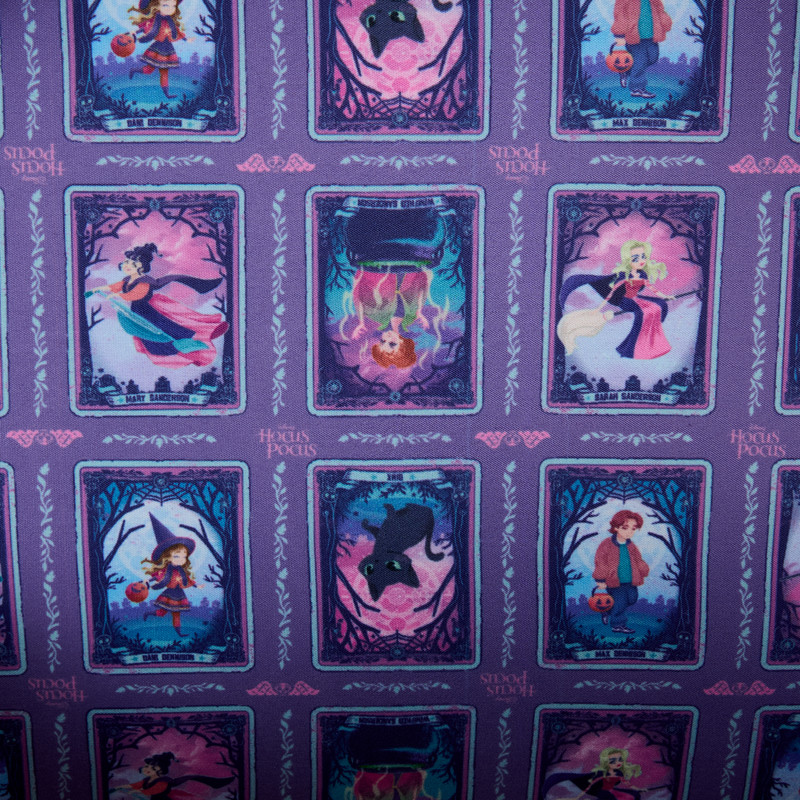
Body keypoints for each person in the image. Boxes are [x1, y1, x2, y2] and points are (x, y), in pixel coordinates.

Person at [88, 242, 228, 368]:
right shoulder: (127, 280)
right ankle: (176, 349)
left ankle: (190, 344)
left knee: (163, 328)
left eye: (131, 264)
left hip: (148, 311)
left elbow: (137, 294)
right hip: (137, 311)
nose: (126, 265)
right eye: (126, 262)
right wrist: (99, 289)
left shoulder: (144, 281)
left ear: (140, 266)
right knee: (148, 334)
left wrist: (119, 296)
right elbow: (115, 287)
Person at [604, 240, 674, 360]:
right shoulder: (624, 275)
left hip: (636, 298)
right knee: (643, 312)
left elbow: (652, 289)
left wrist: (665, 296)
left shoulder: (642, 275)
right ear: (628, 260)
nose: (641, 261)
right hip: (625, 301)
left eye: (643, 257)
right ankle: (631, 349)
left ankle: (655, 333)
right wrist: (600, 306)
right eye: (636, 258)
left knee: (660, 304)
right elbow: (613, 291)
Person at [350, 267, 432, 369]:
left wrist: (361, 322)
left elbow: (357, 291)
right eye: (392, 344)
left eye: (382, 341)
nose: (387, 338)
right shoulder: (412, 317)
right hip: (410, 267)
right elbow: (423, 284)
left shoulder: (375, 315)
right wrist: (419, 312)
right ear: (403, 344)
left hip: (381, 266)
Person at [141, 514, 203, 638]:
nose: (181, 560)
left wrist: (197, 585)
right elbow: (158, 577)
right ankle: (148, 613)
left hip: (179, 594)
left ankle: (179, 633)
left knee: (176, 614)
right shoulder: (166, 570)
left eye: (184, 556)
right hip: (169, 594)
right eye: (177, 556)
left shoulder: (181, 570)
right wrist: (148, 580)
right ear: (167, 557)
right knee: (161, 613)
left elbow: (188, 580)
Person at [593, 510, 650, 634]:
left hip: (631, 580)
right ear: (616, 527)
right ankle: (618, 625)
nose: (630, 531)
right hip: (614, 581)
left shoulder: (631, 545)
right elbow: (600, 561)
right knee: (620, 602)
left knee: (632, 599)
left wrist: (643, 570)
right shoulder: (606, 544)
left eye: (633, 528)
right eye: (625, 528)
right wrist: (600, 579)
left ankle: (607, 610)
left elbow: (638, 559)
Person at [128, 0, 190, 99]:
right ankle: (134, 70)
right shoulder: (155, 20)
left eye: (173, 6)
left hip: (168, 49)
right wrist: (135, 32)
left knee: (164, 72)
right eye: (165, 5)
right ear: (157, 6)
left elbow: (177, 32)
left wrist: (186, 39)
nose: (170, 8)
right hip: (157, 48)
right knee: (149, 70)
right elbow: (146, 28)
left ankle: (166, 94)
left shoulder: (170, 21)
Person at [611, 0, 672, 99]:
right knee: (640, 62)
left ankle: (626, 71)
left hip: (651, 35)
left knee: (653, 58)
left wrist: (665, 22)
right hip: (634, 36)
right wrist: (619, 34)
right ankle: (637, 88)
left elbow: (660, 10)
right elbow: (620, 14)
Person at [112, 751, 233, 799]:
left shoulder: (163, 782)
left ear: (160, 771)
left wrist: (138, 792)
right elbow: (136, 785)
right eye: (147, 766)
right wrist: (121, 787)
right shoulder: (147, 780)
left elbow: (153, 791)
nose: (147, 769)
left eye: (152, 768)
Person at [543, 747, 643, 800]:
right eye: (613, 760)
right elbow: (592, 786)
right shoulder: (601, 774)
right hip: (599, 792)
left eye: (619, 759)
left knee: (634, 795)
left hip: (605, 792)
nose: (617, 762)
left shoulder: (618, 773)